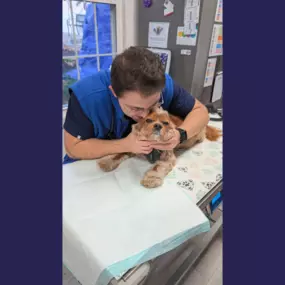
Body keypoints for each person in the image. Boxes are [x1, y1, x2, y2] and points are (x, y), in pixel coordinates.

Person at [63, 46, 209, 164]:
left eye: (153, 104)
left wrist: (180, 135)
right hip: (88, 168)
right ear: (114, 92)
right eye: (135, 108)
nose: (145, 115)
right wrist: (125, 145)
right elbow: (73, 148)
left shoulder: (164, 84)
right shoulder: (86, 97)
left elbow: (200, 111)